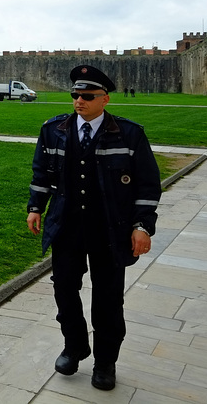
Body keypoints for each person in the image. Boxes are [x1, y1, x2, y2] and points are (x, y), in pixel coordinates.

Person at [26, 65, 161, 391]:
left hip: (109, 231)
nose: (79, 101)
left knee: (108, 299)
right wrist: (35, 207)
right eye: (75, 95)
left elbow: (147, 185)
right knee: (63, 290)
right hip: (68, 227)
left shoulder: (129, 134)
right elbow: (41, 172)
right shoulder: (53, 130)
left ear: (105, 99)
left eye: (87, 96)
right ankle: (74, 346)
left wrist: (142, 226)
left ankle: (105, 363)